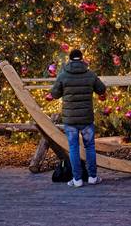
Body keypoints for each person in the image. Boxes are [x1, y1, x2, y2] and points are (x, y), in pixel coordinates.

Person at [51, 49, 106, 187]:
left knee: (73, 148)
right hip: (86, 119)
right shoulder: (90, 74)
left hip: (70, 120)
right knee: (90, 147)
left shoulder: (63, 75)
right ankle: (93, 177)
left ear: (69, 59)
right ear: (82, 59)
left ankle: (77, 179)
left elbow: (55, 94)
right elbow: (101, 89)